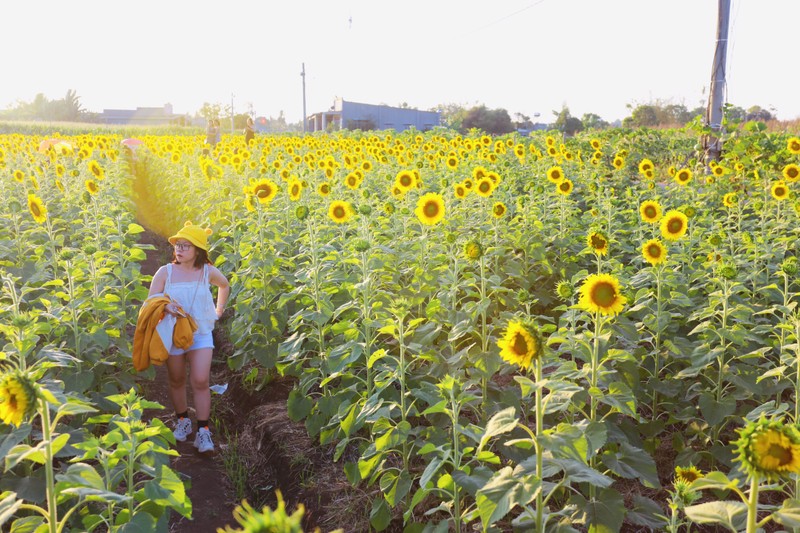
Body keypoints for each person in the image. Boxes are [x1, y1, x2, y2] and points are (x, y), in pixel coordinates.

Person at [146, 221, 230, 453]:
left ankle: (203, 431)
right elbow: (150, 301)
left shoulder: (207, 272)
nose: (179, 249)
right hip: (173, 333)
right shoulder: (166, 272)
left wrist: (218, 310)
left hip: (201, 333)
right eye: (177, 245)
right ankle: (183, 420)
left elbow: (224, 285)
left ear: (198, 250)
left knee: (201, 380)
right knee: (176, 379)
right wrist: (165, 308)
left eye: (185, 246)